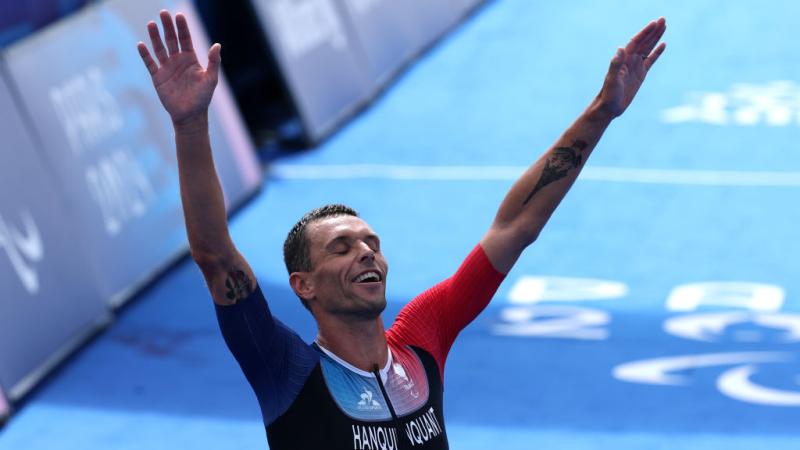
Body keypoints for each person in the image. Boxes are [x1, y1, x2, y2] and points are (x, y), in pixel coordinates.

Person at [138, 10, 666, 449]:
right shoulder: (286, 368)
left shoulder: (421, 339)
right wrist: (190, 125)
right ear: (304, 284)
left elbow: (515, 226)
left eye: (372, 243)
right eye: (341, 248)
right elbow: (215, 256)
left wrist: (602, 111)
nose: (366, 254)